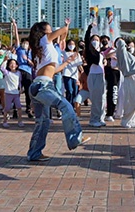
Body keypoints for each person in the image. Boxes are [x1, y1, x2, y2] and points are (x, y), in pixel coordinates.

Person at [26, 18, 90, 161]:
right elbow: (63, 31)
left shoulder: (44, 48)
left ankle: (34, 153)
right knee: (66, 105)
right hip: (43, 87)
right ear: (43, 32)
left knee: (43, 122)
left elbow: (53, 70)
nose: (52, 31)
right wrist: (66, 26)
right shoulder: (44, 40)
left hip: (38, 86)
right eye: (49, 29)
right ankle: (74, 138)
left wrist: (67, 62)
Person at [114, 37, 135, 128]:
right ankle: (126, 120)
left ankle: (133, 120)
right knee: (131, 101)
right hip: (130, 77)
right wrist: (121, 42)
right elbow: (121, 45)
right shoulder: (122, 54)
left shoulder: (132, 56)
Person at [84, 23, 106, 127]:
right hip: (94, 76)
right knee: (96, 99)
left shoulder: (100, 53)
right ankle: (93, 120)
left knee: (101, 99)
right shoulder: (90, 51)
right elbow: (86, 39)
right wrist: (89, 28)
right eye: (94, 40)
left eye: (97, 40)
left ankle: (100, 118)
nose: (95, 42)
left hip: (101, 76)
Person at [13, 21, 34, 118]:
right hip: (19, 70)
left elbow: (34, 64)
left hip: (28, 71)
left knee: (28, 91)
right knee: (17, 90)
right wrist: (15, 25)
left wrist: (28, 60)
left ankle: (29, 109)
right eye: (23, 42)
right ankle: (15, 109)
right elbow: (16, 37)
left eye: (26, 43)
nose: (25, 44)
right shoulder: (19, 49)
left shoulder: (31, 52)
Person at [0, 58, 24, 128]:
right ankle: (5, 121)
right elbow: (1, 68)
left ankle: (20, 121)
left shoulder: (19, 73)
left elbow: (19, 82)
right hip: (8, 93)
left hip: (16, 93)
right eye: (11, 64)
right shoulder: (7, 73)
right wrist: (5, 60)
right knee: (7, 108)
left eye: (14, 64)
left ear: (17, 65)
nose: (12, 65)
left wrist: (20, 89)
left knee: (19, 107)